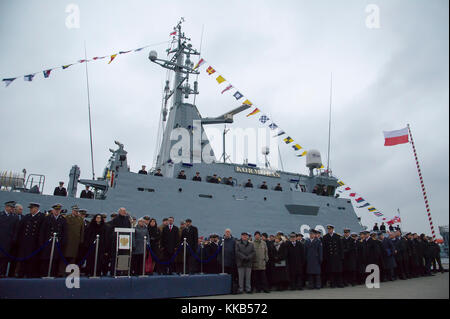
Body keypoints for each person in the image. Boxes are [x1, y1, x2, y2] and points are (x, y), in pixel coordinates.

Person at [15, 202, 45, 278]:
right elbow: (20, 229)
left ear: (36, 208)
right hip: (25, 242)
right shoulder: (27, 217)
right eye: (30, 208)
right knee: (23, 258)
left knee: (32, 259)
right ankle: (21, 273)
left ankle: (30, 273)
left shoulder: (42, 217)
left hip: (34, 242)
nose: (30, 210)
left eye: (32, 208)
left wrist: (40, 243)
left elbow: (42, 231)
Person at [39, 204, 67, 277]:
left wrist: (63, 242)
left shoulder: (63, 220)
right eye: (55, 210)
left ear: (60, 211)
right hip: (48, 242)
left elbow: (65, 232)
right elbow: (42, 231)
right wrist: (41, 242)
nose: (57, 211)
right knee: (46, 259)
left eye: (58, 210)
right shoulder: (47, 219)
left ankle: (53, 274)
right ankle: (44, 273)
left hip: (58, 243)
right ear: (53, 210)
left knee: (55, 259)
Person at [59, 205, 85, 276]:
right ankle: (61, 272)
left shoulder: (80, 219)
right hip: (67, 240)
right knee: (64, 257)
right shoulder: (67, 218)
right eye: (75, 211)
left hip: (75, 242)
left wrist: (81, 240)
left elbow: (82, 231)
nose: (76, 212)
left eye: (77, 211)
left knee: (73, 258)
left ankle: (70, 272)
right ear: (72, 211)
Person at [109, 207, 132, 275]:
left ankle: (121, 271)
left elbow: (129, 228)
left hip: (125, 241)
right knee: (115, 256)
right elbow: (113, 229)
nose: (124, 212)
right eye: (122, 211)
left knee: (123, 256)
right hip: (116, 241)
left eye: (125, 211)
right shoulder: (115, 219)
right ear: (119, 212)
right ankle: (113, 272)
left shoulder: (127, 219)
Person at [0, 201, 20, 277]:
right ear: (6, 207)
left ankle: (2, 273)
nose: (12, 209)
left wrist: (14, 239)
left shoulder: (15, 217)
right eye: (11, 207)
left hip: (8, 241)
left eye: (13, 207)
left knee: (5, 258)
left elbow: (16, 230)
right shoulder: (1, 215)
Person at [219, 229, 237, 293]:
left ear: (230, 233)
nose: (227, 233)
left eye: (228, 232)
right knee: (224, 277)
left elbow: (235, 251)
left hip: (231, 262)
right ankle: (224, 290)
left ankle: (232, 289)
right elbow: (219, 251)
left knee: (232, 277)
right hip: (224, 262)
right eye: (226, 232)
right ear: (224, 233)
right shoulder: (221, 241)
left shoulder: (233, 240)